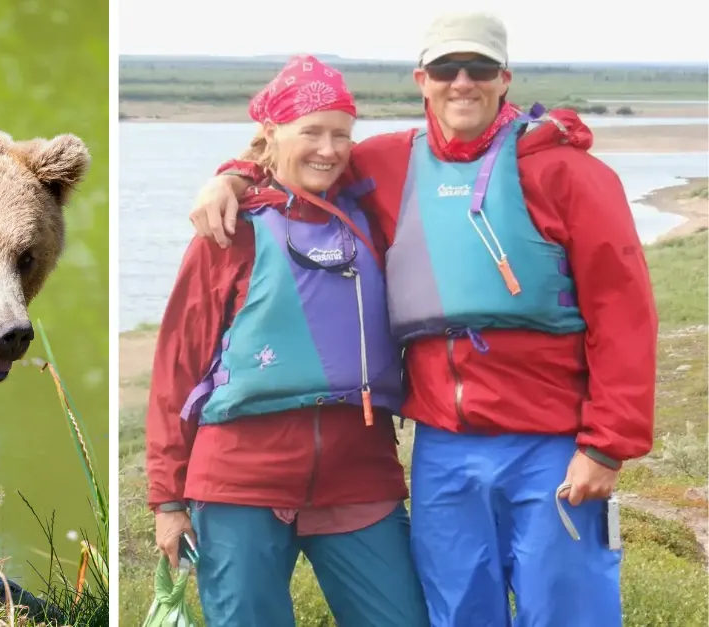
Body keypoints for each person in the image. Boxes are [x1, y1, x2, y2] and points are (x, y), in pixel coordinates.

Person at [186, 12, 657, 627]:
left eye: (480, 68)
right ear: (422, 79)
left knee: (567, 609)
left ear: (504, 78)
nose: (463, 82)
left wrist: (607, 446)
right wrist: (233, 176)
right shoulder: (389, 164)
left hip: (552, 441)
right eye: (446, 69)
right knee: (457, 611)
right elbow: (300, 160)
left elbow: (624, 313)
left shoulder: (567, 172)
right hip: (443, 446)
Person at [145, 55, 429, 627]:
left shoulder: (371, 211)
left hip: (359, 474)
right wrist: (168, 499)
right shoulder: (228, 231)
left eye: (342, 135)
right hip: (239, 479)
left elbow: (458, 138)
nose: (328, 149)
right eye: (312, 132)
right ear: (272, 133)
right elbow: (177, 366)